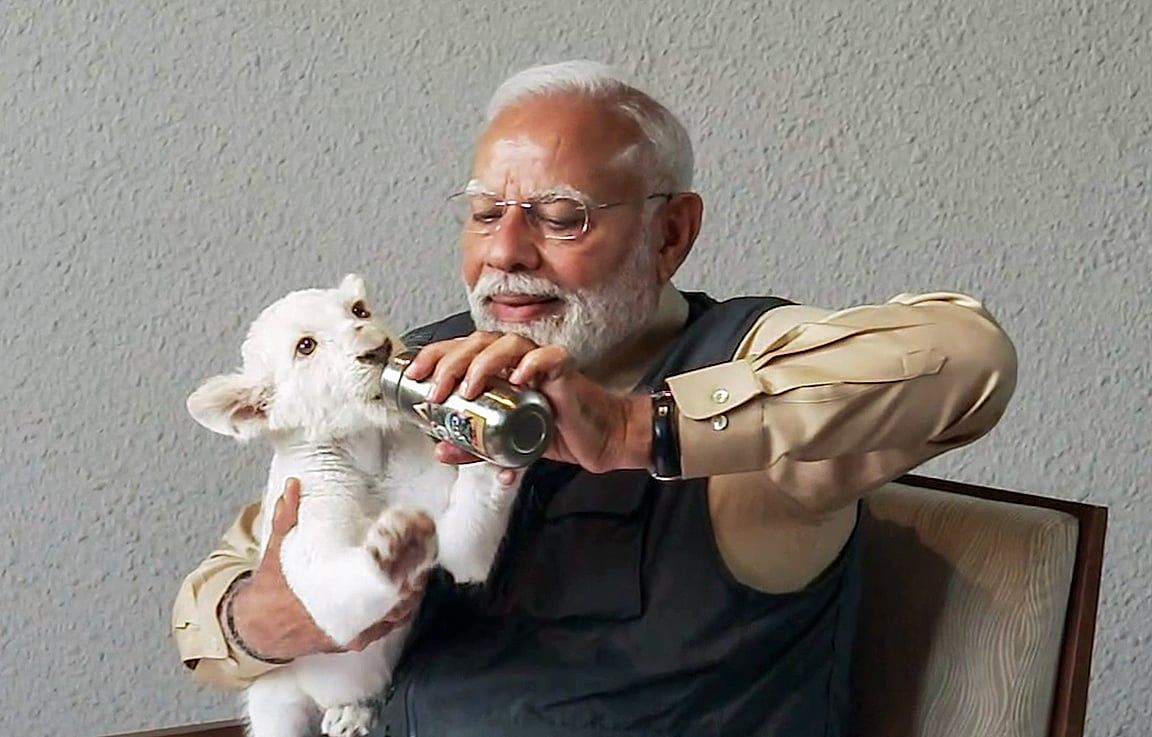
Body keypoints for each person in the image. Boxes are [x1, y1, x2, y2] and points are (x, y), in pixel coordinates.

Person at [172, 60, 1017, 736]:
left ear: (671, 233)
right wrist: (262, 622)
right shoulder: (419, 365)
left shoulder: (743, 355)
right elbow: (216, 598)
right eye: (483, 213)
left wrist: (633, 427)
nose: (506, 251)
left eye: (562, 217)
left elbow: (970, 361)